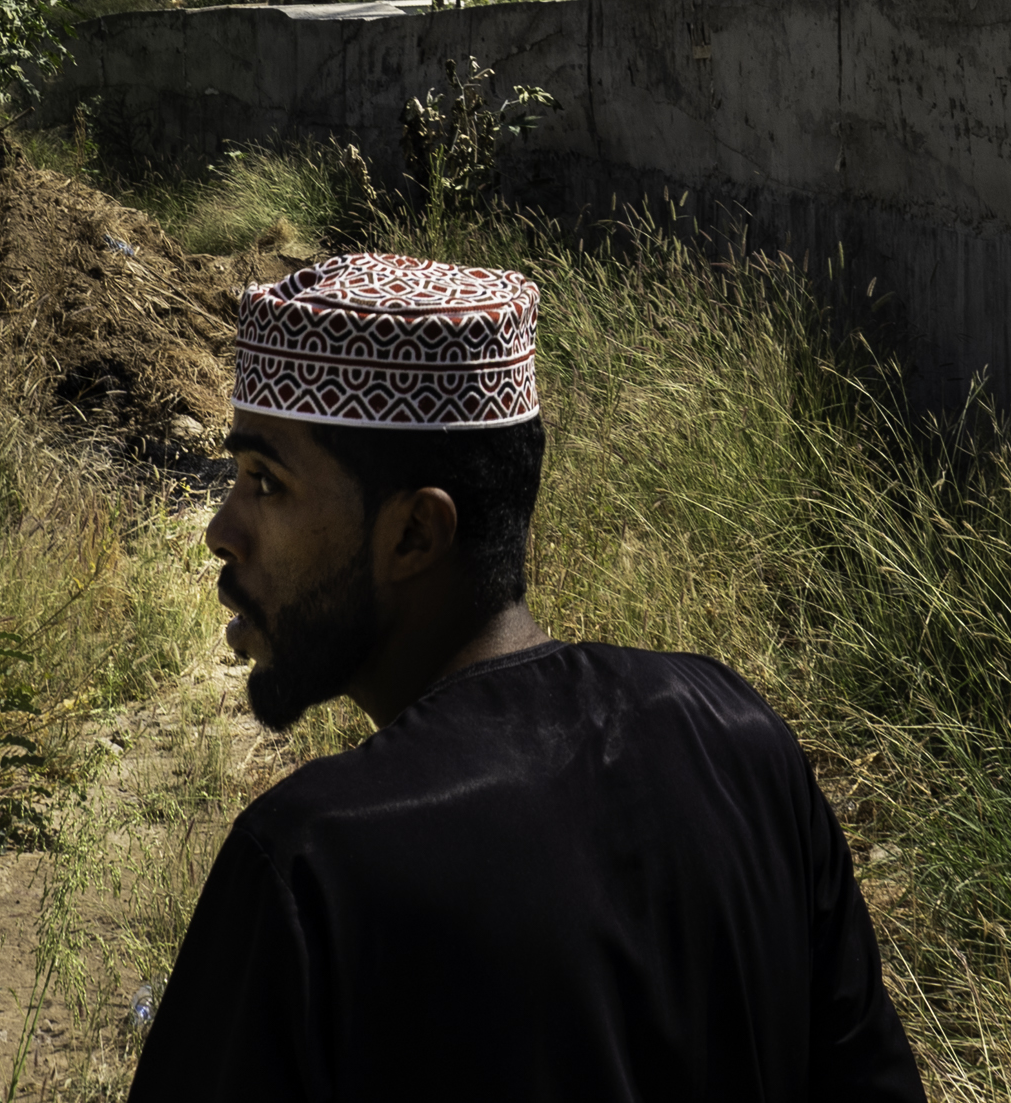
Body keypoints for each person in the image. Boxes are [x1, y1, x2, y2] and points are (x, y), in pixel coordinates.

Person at [129, 250, 925, 1103]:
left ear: (414, 536)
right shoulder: (739, 739)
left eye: (265, 481)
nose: (222, 528)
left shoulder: (309, 866)